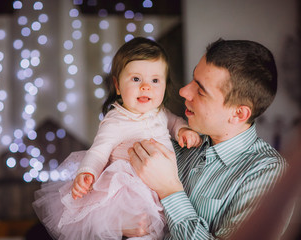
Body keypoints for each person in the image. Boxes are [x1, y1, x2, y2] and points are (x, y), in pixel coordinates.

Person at [33, 37, 201, 240]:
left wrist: (184, 131)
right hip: (129, 190)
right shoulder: (116, 120)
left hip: (161, 187)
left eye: (155, 80)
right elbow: (98, 151)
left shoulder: (161, 112)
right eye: (136, 79)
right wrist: (87, 173)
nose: (146, 87)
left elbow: (175, 124)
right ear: (118, 86)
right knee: (142, 231)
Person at [128, 39, 289, 239]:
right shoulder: (174, 136)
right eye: (193, 79)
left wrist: (169, 190)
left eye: (201, 91)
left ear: (239, 114)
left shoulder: (268, 173)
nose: (184, 92)